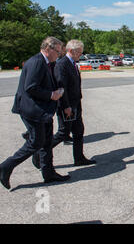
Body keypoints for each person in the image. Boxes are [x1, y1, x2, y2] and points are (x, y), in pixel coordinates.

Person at [0, 37, 70, 190]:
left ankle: (49, 173)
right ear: (48, 49)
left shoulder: (47, 63)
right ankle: (5, 166)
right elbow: (30, 87)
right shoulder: (37, 62)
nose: (59, 55)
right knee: (36, 142)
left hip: (44, 110)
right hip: (33, 110)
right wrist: (51, 95)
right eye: (57, 52)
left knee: (46, 142)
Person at [32, 40, 96, 169]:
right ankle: (39, 153)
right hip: (67, 106)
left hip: (76, 103)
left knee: (79, 131)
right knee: (63, 133)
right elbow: (62, 86)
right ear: (71, 51)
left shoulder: (73, 64)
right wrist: (66, 106)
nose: (80, 55)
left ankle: (79, 158)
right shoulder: (62, 64)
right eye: (79, 52)